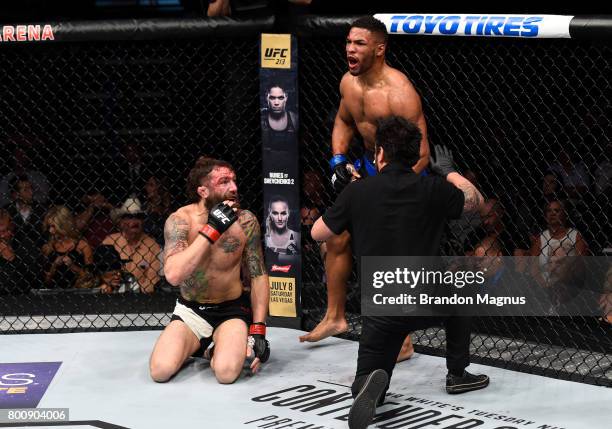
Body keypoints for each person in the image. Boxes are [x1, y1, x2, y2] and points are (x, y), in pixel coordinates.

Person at [311, 116, 489, 429]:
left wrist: (348, 195)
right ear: (415, 155)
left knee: (365, 381)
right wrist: (449, 171)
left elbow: (317, 233)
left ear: (379, 153)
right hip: (428, 298)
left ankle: (370, 386)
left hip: (380, 307)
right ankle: (457, 373)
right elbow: (476, 202)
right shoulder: (432, 188)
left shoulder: (359, 191)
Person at [300, 16, 430, 364]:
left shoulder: (399, 92)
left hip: (405, 174)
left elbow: (421, 154)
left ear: (379, 48)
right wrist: (338, 161)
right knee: (335, 237)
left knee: (388, 253)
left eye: (358, 43)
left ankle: (402, 338)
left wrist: (386, 190)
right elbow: (344, 122)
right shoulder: (349, 83)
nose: (349, 49)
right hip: (370, 169)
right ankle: (335, 317)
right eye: (347, 42)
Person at [149, 156, 270, 384]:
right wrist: (212, 229)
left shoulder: (246, 221)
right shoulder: (180, 220)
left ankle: (218, 348)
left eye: (234, 180)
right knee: (160, 371)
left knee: (226, 373)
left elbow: (258, 274)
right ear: (202, 191)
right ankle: (205, 348)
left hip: (231, 310)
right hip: (191, 311)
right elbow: (174, 276)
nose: (233, 188)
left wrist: (259, 329)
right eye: (224, 181)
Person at [102, 198, 162, 294]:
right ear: (121, 222)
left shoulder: (153, 246)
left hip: (142, 297)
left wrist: (131, 290)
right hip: (111, 295)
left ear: (143, 221)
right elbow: (102, 275)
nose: (134, 221)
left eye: (138, 216)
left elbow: (152, 281)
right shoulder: (109, 242)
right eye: (129, 217)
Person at [42, 206, 95, 289]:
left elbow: (91, 277)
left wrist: (73, 266)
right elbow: (45, 282)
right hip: (53, 293)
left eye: (53, 226)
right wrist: (54, 266)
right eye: (49, 227)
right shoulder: (48, 247)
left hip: (78, 292)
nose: (50, 231)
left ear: (63, 225)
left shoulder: (82, 245)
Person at [261, 82, 299, 150]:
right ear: (267, 98)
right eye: (272, 98)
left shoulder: (295, 119)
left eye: (280, 98)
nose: (276, 103)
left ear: (286, 98)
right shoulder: (262, 120)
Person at [264, 195, 300, 264]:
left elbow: (301, 260)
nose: (279, 218)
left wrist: (275, 257)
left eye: (283, 213)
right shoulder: (265, 238)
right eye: (275, 213)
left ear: (288, 213)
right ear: (270, 213)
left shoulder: (296, 236)